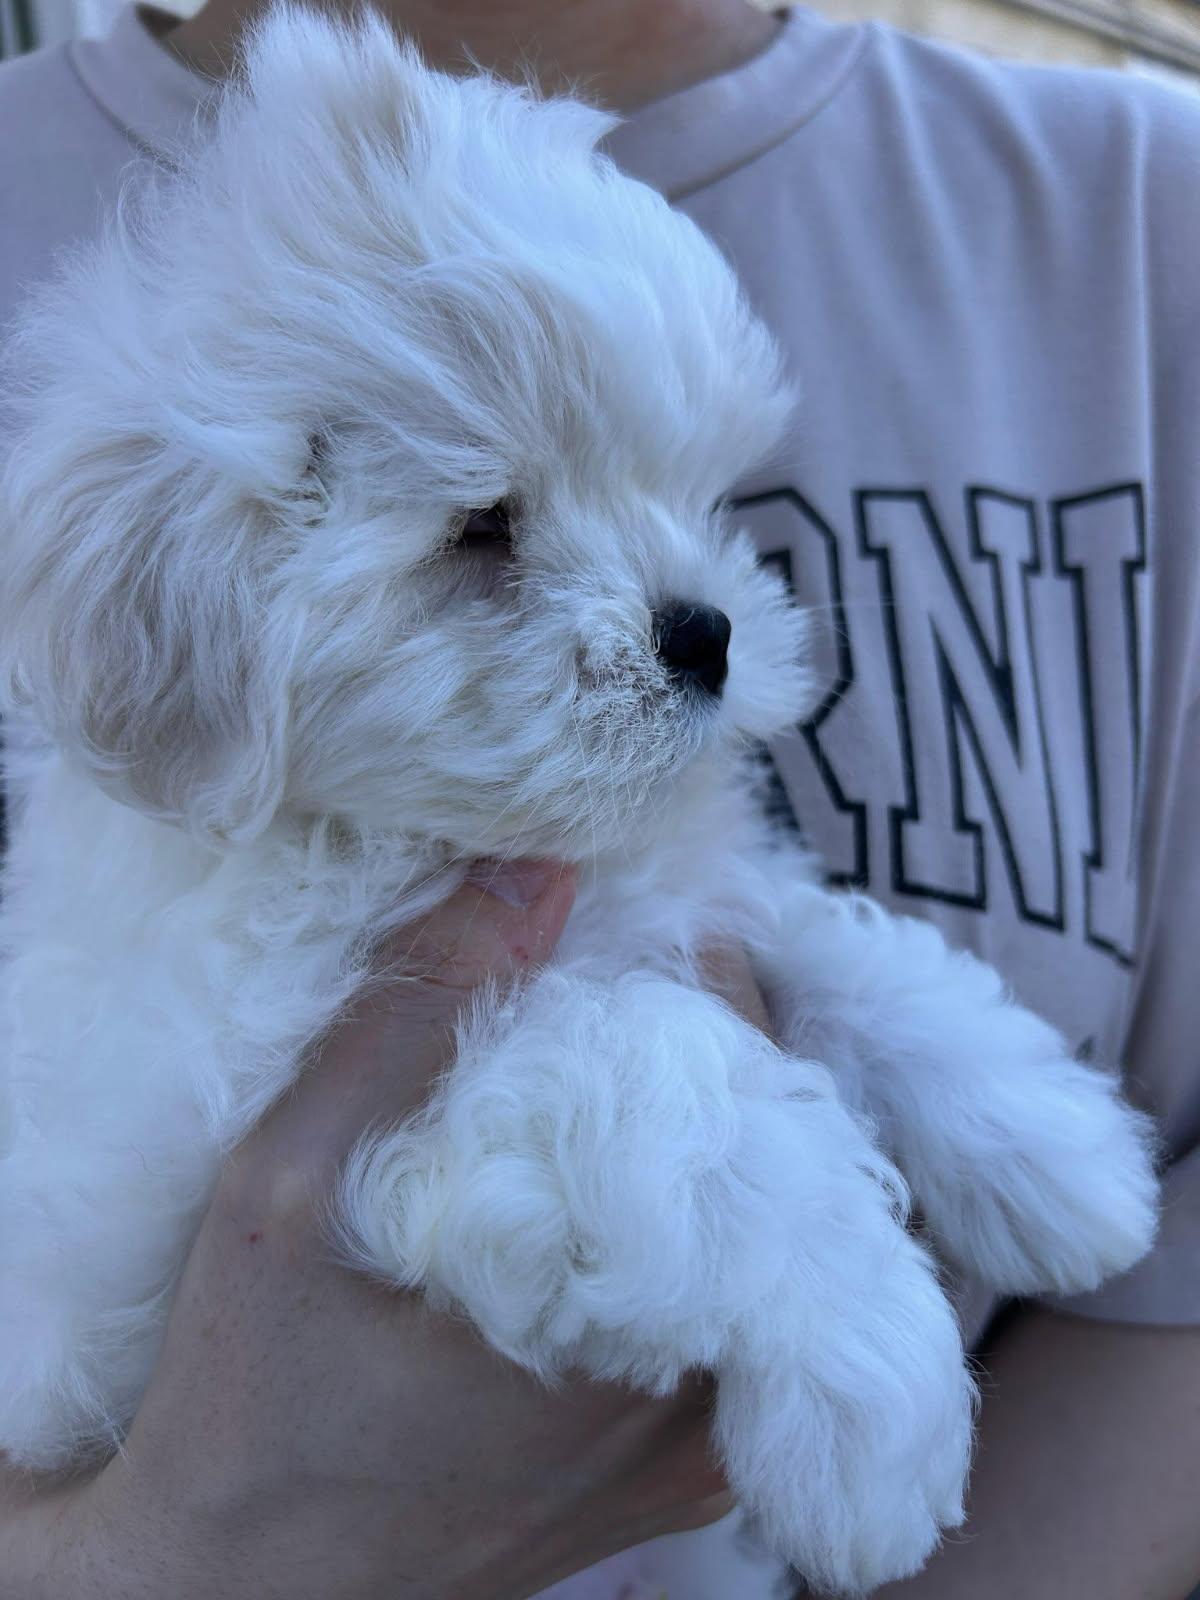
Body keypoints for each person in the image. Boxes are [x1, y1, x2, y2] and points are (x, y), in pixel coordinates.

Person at [0, 1, 1198, 1596]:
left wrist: (927, 1061)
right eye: (488, 535)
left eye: (690, 494)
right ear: (213, 622)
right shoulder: (205, 894)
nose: (682, 614)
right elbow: (415, 1141)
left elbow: (708, 930)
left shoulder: (1149, 216)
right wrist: (805, 1257)